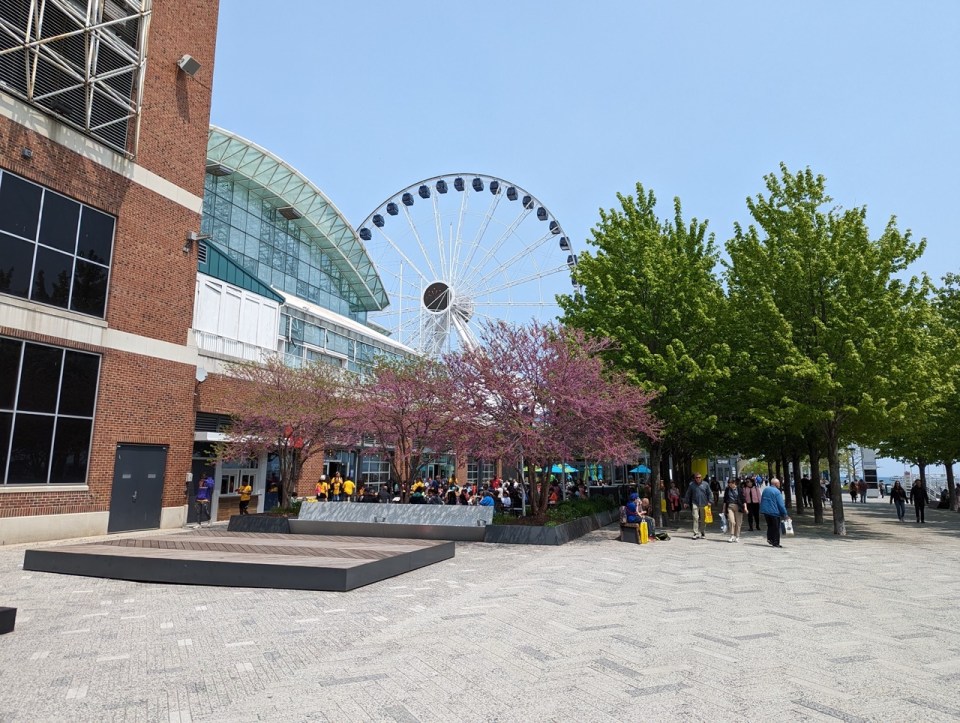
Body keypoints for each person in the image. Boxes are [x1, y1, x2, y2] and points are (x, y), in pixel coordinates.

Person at [760, 477, 790, 548]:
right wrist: (785, 514)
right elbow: (781, 504)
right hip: (774, 512)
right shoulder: (777, 492)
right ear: (776, 484)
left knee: (770, 526)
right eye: (779, 483)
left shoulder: (766, 490)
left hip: (766, 512)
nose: (780, 484)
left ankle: (770, 538)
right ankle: (776, 542)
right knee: (776, 527)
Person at [683, 473, 713, 539]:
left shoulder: (706, 484)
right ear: (695, 478)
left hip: (704, 503)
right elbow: (688, 493)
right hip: (695, 503)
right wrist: (686, 502)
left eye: (699, 477)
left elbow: (710, 493)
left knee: (703, 519)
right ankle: (695, 533)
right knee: (695, 517)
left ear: (701, 477)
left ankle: (702, 532)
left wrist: (710, 501)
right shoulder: (692, 485)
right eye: (696, 477)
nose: (698, 478)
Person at [723, 478, 746, 542]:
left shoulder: (739, 489)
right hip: (730, 506)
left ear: (734, 483)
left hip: (738, 507)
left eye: (731, 484)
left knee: (738, 522)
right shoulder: (727, 489)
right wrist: (723, 509)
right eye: (729, 484)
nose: (729, 485)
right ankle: (732, 535)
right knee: (732, 521)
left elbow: (743, 499)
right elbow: (725, 500)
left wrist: (745, 507)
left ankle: (737, 536)